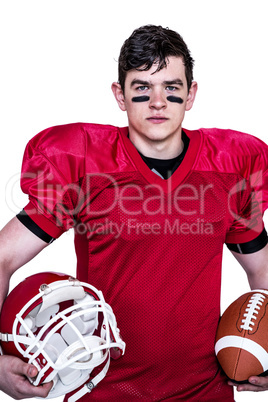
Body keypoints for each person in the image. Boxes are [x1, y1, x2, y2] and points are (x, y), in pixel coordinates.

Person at [0, 24, 268, 401]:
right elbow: (3, 257)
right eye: (142, 88)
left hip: (205, 390)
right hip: (103, 387)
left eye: (171, 88)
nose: (157, 101)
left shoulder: (230, 166)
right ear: (120, 95)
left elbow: (262, 271)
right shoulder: (85, 165)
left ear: (190, 94)